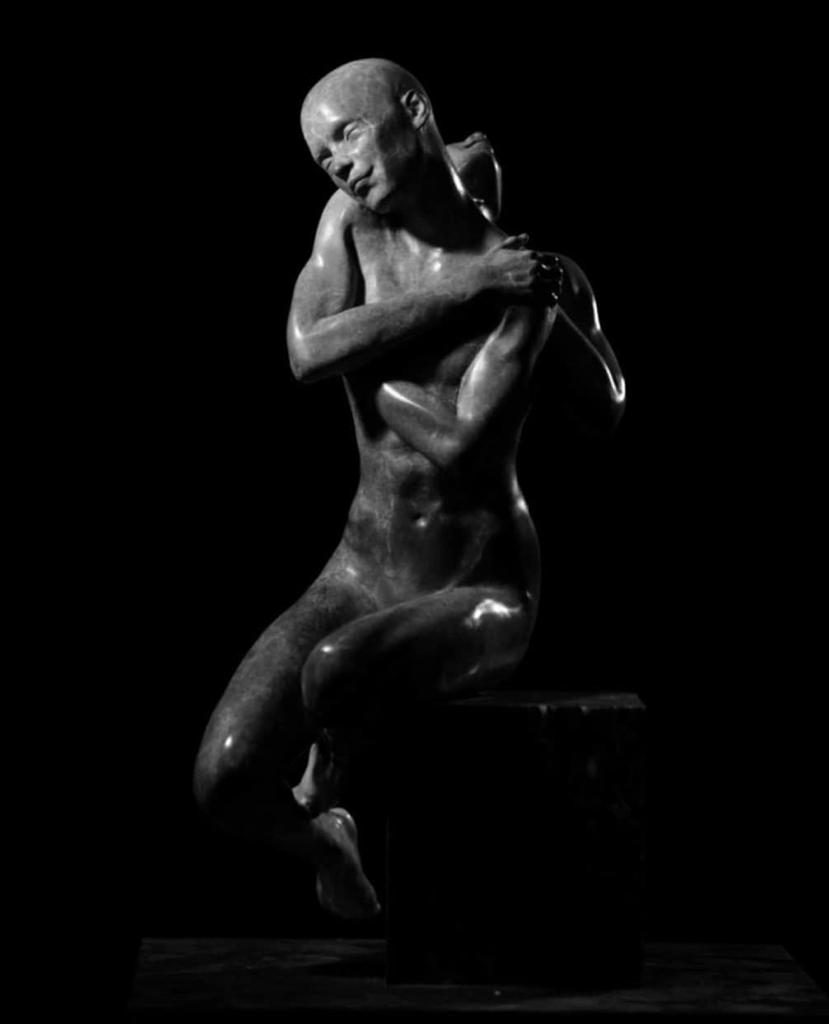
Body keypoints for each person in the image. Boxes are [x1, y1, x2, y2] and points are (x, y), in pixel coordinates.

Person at [193, 58, 625, 919]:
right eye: (323, 159)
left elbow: (490, 446)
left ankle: (334, 768)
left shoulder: (524, 279)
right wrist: (459, 292)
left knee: (336, 674)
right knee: (224, 780)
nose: (340, 167)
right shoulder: (353, 229)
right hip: (359, 568)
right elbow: (307, 353)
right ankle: (327, 839)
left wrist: (383, 362)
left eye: (347, 137)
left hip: (480, 582)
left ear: (411, 109)